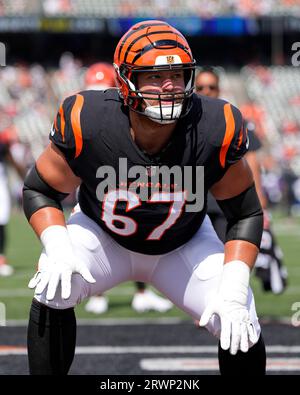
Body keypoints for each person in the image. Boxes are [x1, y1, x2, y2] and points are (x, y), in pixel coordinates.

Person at [23, 20, 266, 375]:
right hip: (102, 236)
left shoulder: (215, 125)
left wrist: (233, 285)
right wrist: (58, 245)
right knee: (52, 281)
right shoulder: (89, 120)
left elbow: (245, 213)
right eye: (153, 76)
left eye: (177, 74)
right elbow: (39, 189)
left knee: (238, 312)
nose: (169, 86)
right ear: (125, 81)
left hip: (183, 244)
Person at [83, 62, 173, 314]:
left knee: (142, 229)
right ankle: (97, 292)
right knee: (97, 234)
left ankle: (142, 292)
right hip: (101, 185)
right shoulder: (85, 117)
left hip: (127, 182)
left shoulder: (128, 115)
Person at [195, 67, 287, 294]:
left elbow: (252, 158)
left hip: (222, 200)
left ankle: (227, 301)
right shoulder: (186, 120)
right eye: (201, 87)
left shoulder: (231, 120)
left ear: (219, 89)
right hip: (193, 199)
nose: (206, 91)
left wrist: (258, 196)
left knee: (222, 255)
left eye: (211, 87)